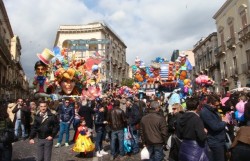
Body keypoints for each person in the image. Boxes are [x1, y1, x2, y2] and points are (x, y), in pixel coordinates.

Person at [176, 97, 209, 161]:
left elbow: (178, 135)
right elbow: (202, 137)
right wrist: (205, 132)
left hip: (184, 147)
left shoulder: (181, 118)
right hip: (195, 149)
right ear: (197, 106)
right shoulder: (196, 118)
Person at [200, 94, 229, 161]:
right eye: (216, 105)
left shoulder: (213, 109)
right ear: (210, 103)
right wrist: (224, 122)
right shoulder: (205, 112)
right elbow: (215, 126)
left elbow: (218, 120)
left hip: (219, 139)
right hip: (214, 141)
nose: (217, 107)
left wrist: (222, 119)